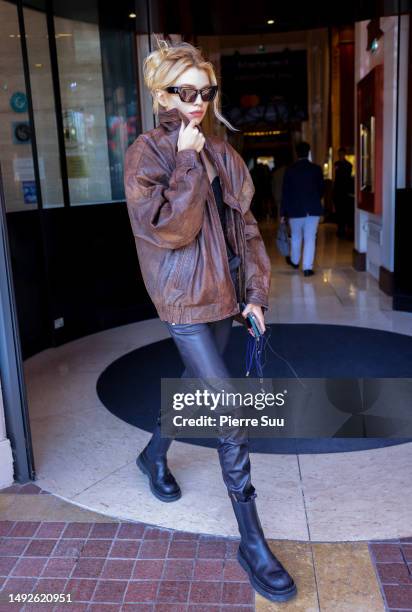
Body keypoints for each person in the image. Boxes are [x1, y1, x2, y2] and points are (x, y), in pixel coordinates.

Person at [124, 39, 297, 603]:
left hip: (223, 296)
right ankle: (252, 543)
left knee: (196, 391)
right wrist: (183, 159)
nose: (198, 102)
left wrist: (255, 294)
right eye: (186, 92)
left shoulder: (225, 153)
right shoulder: (147, 154)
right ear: (161, 94)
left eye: (206, 92)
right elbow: (168, 231)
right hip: (181, 301)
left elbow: (245, 231)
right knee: (229, 411)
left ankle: (153, 455)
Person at [280, 141, 324, 277]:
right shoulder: (316, 169)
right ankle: (307, 268)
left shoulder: (290, 170)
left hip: (295, 210)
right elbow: (321, 189)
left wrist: (283, 213)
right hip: (313, 209)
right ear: (309, 152)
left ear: (296, 153)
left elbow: (285, 193)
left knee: (296, 237)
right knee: (310, 238)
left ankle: (294, 261)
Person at [333, 147, 353, 238]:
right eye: (339, 154)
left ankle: (344, 228)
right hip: (338, 190)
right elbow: (336, 178)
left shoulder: (349, 165)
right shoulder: (336, 164)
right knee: (338, 210)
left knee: (344, 210)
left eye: (341, 154)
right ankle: (340, 228)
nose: (340, 156)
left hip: (345, 190)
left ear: (344, 154)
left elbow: (347, 178)